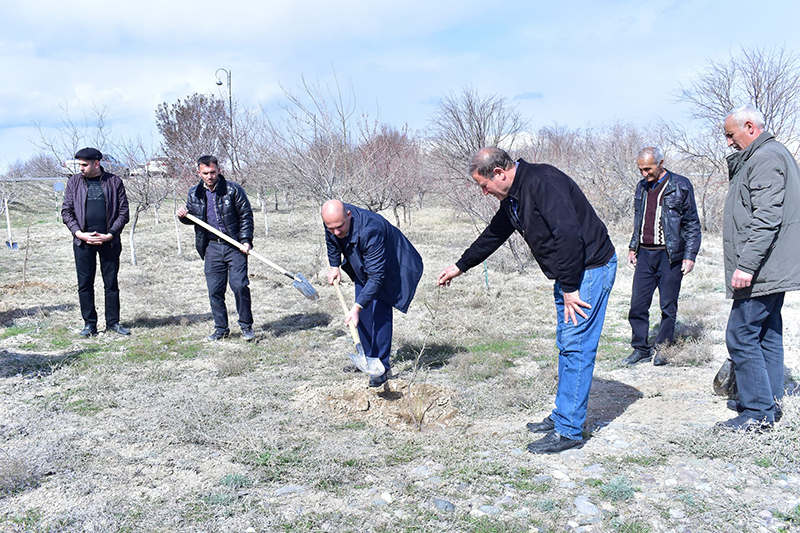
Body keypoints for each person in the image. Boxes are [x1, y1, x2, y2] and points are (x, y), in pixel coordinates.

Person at [438, 147, 617, 454]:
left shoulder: (543, 182)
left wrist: (571, 287)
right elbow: (494, 233)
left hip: (588, 271)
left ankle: (570, 431)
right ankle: (564, 415)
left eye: (483, 185)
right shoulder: (513, 196)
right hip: (572, 274)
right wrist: (461, 266)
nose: (483, 192)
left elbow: (569, 234)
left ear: (499, 173)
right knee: (567, 344)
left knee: (577, 346)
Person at [717, 106, 800, 431]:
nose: (728, 142)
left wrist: (746, 265)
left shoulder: (765, 158)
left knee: (740, 334)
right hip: (770, 266)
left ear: (749, 127)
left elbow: (766, 218)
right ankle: (770, 401)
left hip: (762, 267)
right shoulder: (770, 153)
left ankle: (757, 414)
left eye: (730, 134)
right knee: (767, 333)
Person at [322, 200, 424, 387]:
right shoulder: (332, 221)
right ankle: (369, 359)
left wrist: (356, 307)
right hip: (364, 262)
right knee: (363, 315)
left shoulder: (371, 229)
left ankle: (382, 367)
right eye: (331, 228)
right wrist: (334, 265)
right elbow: (332, 241)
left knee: (379, 311)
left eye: (339, 227)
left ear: (349, 215)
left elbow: (376, 276)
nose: (336, 232)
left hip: (392, 264)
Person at [625, 147, 701, 366]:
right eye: (640, 169)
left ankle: (663, 349)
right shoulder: (641, 187)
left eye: (648, 168)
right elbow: (638, 220)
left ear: (661, 163)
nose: (644, 174)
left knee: (668, 306)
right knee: (638, 305)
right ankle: (640, 348)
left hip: (670, 256)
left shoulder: (681, 185)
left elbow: (692, 224)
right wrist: (633, 247)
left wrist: (690, 255)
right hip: (645, 255)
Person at [177, 156, 255, 341]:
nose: (210, 176)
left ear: (219, 170)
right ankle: (221, 329)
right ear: (199, 173)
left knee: (240, 285)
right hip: (211, 247)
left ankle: (246, 327)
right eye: (206, 173)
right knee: (214, 291)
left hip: (235, 246)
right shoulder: (194, 193)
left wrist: (245, 240)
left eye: (213, 172)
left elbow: (246, 215)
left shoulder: (233, 190)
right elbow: (192, 218)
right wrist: (183, 216)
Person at [61, 147, 130, 337]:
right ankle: (89, 324)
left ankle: (113, 323)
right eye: (79, 165)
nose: (80, 168)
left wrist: (111, 234)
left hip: (109, 242)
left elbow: (124, 212)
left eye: (84, 165)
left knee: (111, 283)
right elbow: (66, 211)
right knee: (84, 284)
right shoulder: (73, 182)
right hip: (83, 243)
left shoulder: (114, 182)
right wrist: (79, 233)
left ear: (96, 163)